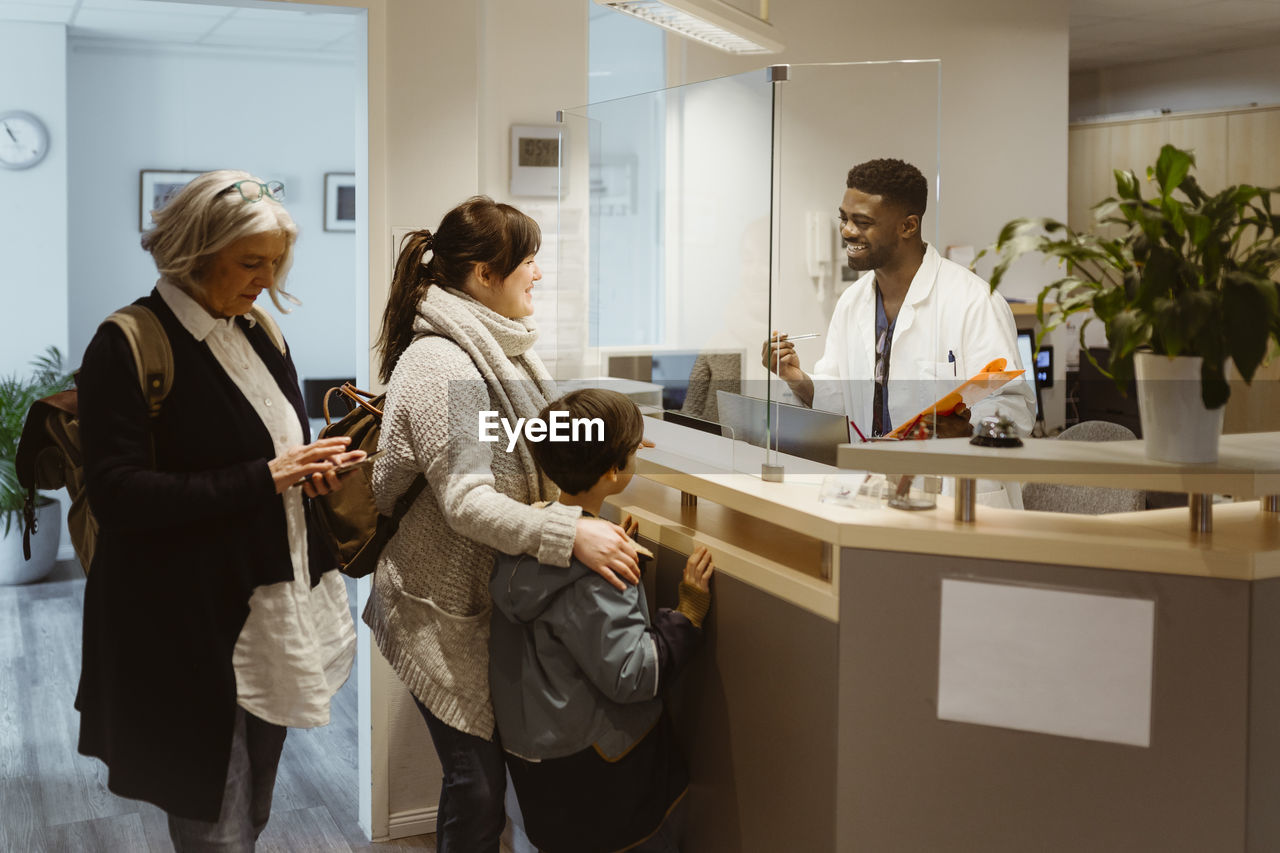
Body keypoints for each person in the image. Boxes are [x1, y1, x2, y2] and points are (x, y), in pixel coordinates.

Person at [76, 169, 366, 850]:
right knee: (214, 820)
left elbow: (275, 452)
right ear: (192, 253)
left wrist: (310, 471)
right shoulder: (127, 344)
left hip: (271, 606)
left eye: (275, 263)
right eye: (250, 262)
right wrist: (266, 476)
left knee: (252, 806)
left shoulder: (261, 330)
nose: (266, 279)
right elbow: (118, 495)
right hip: (188, 624)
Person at [366, 196, 643, 853]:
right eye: (530, 262)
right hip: (438, 611)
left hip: (479, 607)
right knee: (477, 786)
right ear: (485, 274)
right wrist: (569, 531)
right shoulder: (443, 364)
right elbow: (466, 499)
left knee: (485, 786)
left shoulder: (501, 349)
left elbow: (535, 441)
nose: (540, 276)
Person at [489, 388, 714, 853]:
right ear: (614, 472)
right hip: (598, 770)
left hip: (538, 762)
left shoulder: (526, 536)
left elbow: (569, 623)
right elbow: (633, 674)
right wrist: (687, 614)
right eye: (633, 450)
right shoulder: (596, 573)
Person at [764, 158, 1035, 443]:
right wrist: (797, 379)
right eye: (844, 218)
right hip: (875, 481)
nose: (847, 231)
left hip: (948, 481)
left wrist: (967, 430)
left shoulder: (975, 301)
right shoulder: (851, 303)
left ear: (908, 226)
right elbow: (841, 401)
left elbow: (1012, 409)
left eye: (863, 222)